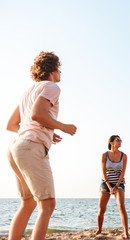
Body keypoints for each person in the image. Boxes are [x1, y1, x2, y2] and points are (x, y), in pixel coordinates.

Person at [6, 51, 77, 240]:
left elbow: (11, 124)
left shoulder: (27, 92)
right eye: (59, 69)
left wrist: (47, 131)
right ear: (52, 70)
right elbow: (38, 114)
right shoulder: (52, 87)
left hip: (16, 148)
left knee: (27, 203)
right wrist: (63, 127)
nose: (60, 73)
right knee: (47, 205)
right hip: (30, 147)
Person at [96, 135, 129, 239]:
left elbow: (123, 173)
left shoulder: (124, 156)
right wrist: (109, 187)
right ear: (111, 143)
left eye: (120, 140)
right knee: (101, 209)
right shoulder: (104, 155)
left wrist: (116, 186)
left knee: (121, 206)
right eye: (117, 140)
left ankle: (126, 232)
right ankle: (99, 230)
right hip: (106, 183)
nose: (120, 142)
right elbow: (103, 172)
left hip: (119, 183)